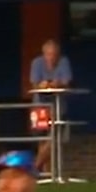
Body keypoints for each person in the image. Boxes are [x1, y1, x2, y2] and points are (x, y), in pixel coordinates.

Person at [28, 40, 73, 174]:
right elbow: (34, 84)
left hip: (59, 107)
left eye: (54, 55)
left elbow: (66, 82)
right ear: (44, 54)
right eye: (48, 54)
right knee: (42, 141)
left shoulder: (64, 61)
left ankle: (35, 167)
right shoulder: (37, 63)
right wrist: (42, 85)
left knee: (54, 139)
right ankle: (47, 175)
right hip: (40, 107)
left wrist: (57, 84)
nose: (51, 57)